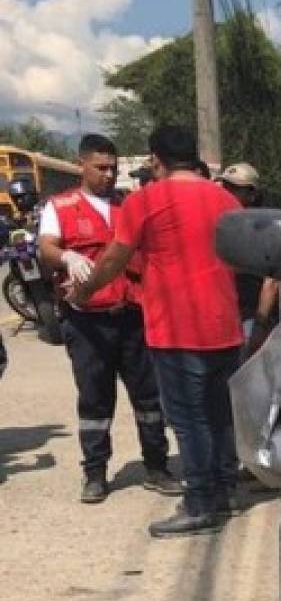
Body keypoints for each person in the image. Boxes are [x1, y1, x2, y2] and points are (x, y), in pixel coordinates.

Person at [70, 125, 243, 537]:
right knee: (220, 416)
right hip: (225, 326)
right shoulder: (227, 199)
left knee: (189, 421)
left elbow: (114, 258)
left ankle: (199, 504)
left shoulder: (145, 200)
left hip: (177, 330)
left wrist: (84, 291)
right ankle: (225, 490)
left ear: (156, 160)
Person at [37, 133, 181, 504]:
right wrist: (67, 257)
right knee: (95, 400)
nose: (109, 175)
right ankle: (95, 473)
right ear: (81, 165)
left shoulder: (128, 204)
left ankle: (157, 467)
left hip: (132, 315)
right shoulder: (61, 206)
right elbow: (46, 246)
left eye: (113, 168)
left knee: (149, 398)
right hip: (87, 321)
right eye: (101, 167)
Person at [218, 162, 278, 356]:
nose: (226, 193)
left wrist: (260, 324)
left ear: (252, 195)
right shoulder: (222, 225)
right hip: (220, 318)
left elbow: (271, 281)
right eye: (225, 187)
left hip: (250, 316)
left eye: (234, 189)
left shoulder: (265, 229)